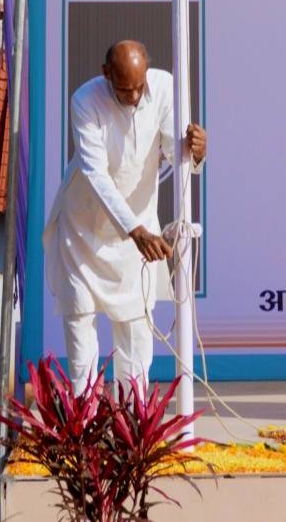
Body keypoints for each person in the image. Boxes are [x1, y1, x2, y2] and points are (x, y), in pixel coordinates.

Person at [43, 40, 207, 393]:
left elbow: (171, 151)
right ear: (106, 76)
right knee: (81, 325)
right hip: (83, 229)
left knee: (136, 330)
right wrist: (135, 231)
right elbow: (95, 173)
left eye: (139, 87)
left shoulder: (165, 87)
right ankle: (83, 427)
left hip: (139, 224)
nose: (133, 97)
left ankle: (132, 427)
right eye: (124, 89)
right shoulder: (85, 101)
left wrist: (196, 152)